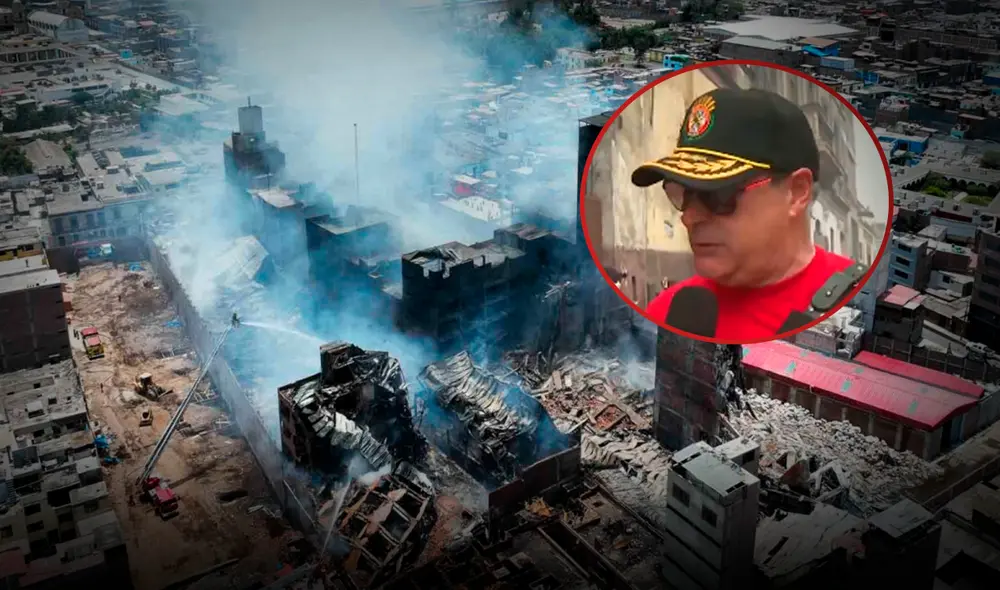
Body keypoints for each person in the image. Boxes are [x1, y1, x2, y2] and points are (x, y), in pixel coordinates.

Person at [631, 87, 856, 342]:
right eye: (683, 193)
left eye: (718, 195)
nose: (689, 217)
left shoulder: (856, 307)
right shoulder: (668, 312)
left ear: (796, 192)